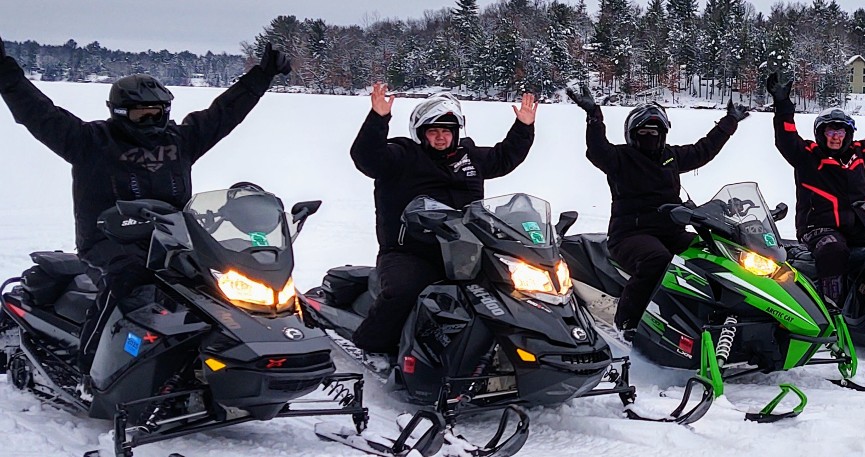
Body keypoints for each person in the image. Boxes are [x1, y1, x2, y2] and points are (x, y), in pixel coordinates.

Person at [0, 37, 292, 362]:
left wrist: (261, 76)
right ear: (121, 113)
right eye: (143, 115)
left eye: (158, 113)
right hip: (108, 243)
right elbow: (40, 114)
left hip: (172, 242)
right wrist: (6, 74)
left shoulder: (181, 140)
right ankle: (92, 364)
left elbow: (223, 114)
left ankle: (216, 358)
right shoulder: (89, 142)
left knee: (217, 286)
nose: (152, 122)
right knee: (129, 285)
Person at [348, 84, 539, 354]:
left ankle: (514, 347)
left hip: (466, 251)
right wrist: (378, 119)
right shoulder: (402, 156)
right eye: (434, 131)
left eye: (446, 131)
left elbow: (504, 157)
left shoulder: (468, 157)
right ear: (422, 133)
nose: (440, 137)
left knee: (515, 284)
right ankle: (373, 344)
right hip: (411, 251)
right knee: (405, 290)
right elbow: (367, 158)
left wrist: (523, 126)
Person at [569, 84, 749, 333]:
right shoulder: (620, 158)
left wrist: (729, 122)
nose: (650, 136)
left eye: (655, 131)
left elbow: (703, 150)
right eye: (644, 131)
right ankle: (627, 324)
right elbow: (597, 149)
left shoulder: (670, 157)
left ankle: (709, 318)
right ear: (633, 134)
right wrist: (594, 116)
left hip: (671, 232)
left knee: (713, 252)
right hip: (630, 235)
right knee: (657, 261)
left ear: (663, 134)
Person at [767, 61, 865, 304]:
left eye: (841, 132)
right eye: (830, 132)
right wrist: (783, 105)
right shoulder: (807, 157)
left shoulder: (858, 155)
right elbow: (785, 138)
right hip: (818, 229)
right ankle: (831, 307)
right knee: (833, 250)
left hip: (859, 228)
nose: (836, 137)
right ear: (820, 134)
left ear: (849, 134)